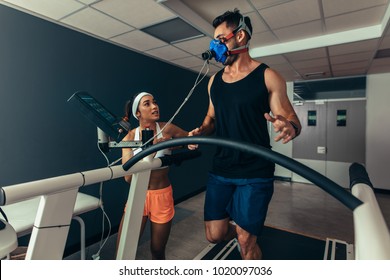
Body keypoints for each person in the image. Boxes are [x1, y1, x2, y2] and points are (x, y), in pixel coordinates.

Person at [189, 9, 302, 260]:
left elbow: (292, 120)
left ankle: (247, 236)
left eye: (220, 39)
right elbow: (211, 119)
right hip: (222, 169)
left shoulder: (268, 76)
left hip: (255, 171)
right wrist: (202, 129)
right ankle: (243, 230)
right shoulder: (213, 81)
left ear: (240, 36)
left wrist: (288, 126)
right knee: (214, 235)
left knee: (245, 241)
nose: (215, 45)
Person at [118, 91, 188, 260]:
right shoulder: (129, 137)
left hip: (161, 195)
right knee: (123, 249)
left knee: (157, 250)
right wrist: (152, 146)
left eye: (154, 102)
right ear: (138, 113)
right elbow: (127, 178)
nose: (155, 106)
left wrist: (188, 142)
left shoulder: (166, 129)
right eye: (147, 104)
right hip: (137, 195)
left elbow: (189, 138)